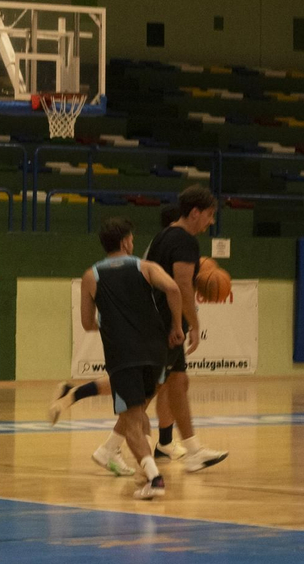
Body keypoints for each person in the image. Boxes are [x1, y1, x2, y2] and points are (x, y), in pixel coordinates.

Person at [50, 191, 229, 474]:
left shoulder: (163, 237)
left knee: (167, 387)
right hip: (163, 329)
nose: (211, 221)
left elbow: (88, 322)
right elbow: (180, 286)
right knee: (146, 394)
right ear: (195, 212)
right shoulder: (184, 242)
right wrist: (190, 324)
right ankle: (146, 453)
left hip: (149, 329)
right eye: (209, 214)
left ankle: (135, 446)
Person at [79, 217, 184, 500]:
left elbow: (87, 323)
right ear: (126, 242)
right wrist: (176, 326)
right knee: (138, 418)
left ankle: (154, 478)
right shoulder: (145, 267)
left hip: (123, 356)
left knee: (132, 420)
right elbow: (173, 289)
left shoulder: (91, 276)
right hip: (155, 353)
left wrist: (111, 321)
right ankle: (135, 467)